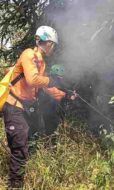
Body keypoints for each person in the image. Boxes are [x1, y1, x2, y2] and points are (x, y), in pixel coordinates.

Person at [2, 26, 71, 189]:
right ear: (46, 42)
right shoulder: (29, 55)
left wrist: (66, 93)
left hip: (26, 108)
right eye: (53, 44)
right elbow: (33, 80)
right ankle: (15, 186)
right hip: (14, 106)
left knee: (30, 139)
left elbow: (43, 87)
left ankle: (25, 176)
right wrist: (51, 80)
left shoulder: (41, 63)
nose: (53, 47)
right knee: (20, 146)